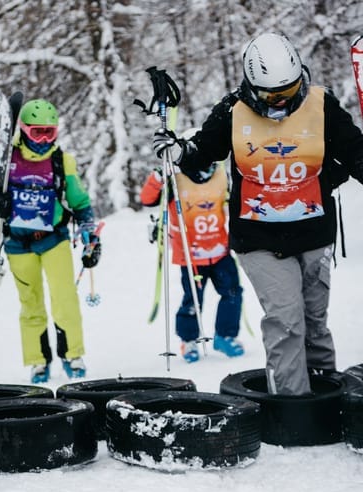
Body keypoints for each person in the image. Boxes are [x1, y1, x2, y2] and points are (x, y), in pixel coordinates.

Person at [153, 32, 363, 395]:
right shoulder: (233, 111)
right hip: (260, 238)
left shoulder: (321, 104)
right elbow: (203, 151)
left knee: (314, 323)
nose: (281, 102)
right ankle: (292, 407)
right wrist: (180, 150)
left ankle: (327, 401)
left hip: (314, 233)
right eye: (271, 95)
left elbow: (355, 151)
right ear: (251, 86)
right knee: (286, 320)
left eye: (289, 90)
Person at [0, 99, 100, 383]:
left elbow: (80, 202)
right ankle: (38, 361)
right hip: (17, 242)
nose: (43, 139)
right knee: (31, 303)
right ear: (24, 129)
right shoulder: (4, 157)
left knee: (65, 298)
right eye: (38, 132)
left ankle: (72, 354)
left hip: (54, 239)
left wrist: (91, 238)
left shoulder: (62, 161)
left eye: (49, 132)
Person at [140, 130, 244, 363]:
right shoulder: (175, 179)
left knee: (233, 293)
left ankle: (225, 336)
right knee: (192, 299)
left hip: (219, 250)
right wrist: (158, 176)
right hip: (190, 254)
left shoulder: (220, 173)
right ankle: (188, 340)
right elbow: (147, 199)